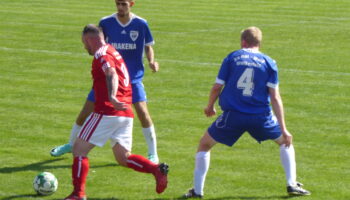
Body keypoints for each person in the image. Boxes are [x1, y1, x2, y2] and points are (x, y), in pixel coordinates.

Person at [183, 27, 311, 198]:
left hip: (233, 116)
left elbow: (217, 87)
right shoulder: (269, 62)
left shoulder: (233, 57)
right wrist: (284, 128)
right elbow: (275, 97)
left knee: (204, 145)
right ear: (259, 43)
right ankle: (291, 184)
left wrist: (210, 106)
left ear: (243, 41)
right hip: (261, 116)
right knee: (284, 142)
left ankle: (197, 191)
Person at [64, 24, 168, 200]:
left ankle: (78, 194)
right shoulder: (113, 50)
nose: (84, 47)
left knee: (79, 149)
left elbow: (111, 73)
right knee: (123, 157)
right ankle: (155, 169)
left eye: (84, 42)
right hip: (125, 112)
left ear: (90, 39)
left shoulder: (101, 53)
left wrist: (111, 96)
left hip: (107, 110)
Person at [51, 0, 160, 163]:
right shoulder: (106, 22)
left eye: (123, 4)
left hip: (133, 78)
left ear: (131, 4)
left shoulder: (141, 24)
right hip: (107, 80)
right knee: (84, 112)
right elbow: (98, 45)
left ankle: (153, 153)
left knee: (143, 113)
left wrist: (152, 60)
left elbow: (148, 45)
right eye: (118, 4)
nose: (120, 7)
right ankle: (71, 144)